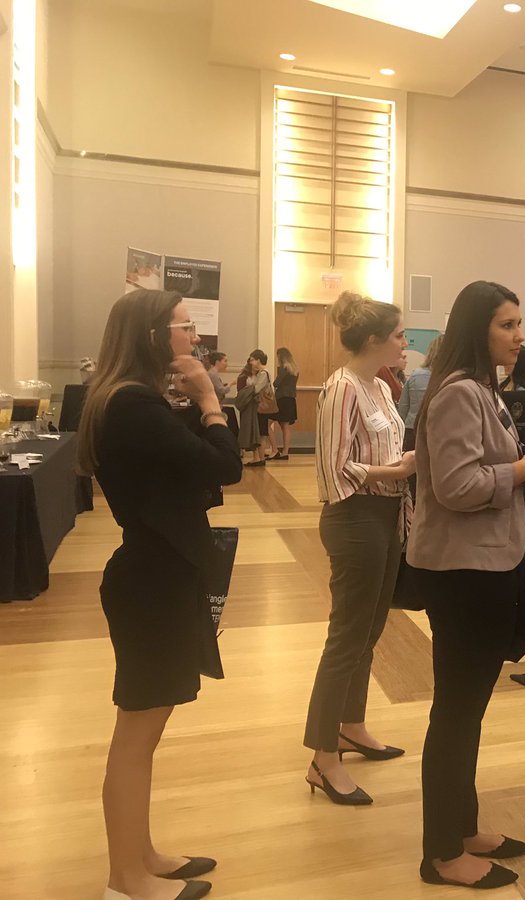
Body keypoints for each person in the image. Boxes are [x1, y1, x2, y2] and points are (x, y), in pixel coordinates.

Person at [79, 289, 241, 900]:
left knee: (144, 732)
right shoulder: (132, 405)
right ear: (153, 335)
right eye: (183, 326)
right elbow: (224, 465)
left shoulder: (133, 400)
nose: (192, 337)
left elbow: (199, 463)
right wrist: (207, 398)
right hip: (150, 581)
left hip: (158, 574)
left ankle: (140, 854)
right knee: (136, 734)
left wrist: (195, 399)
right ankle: (125, 880)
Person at [407, 281, 525, 890]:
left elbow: (478, 468)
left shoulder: (484, 390)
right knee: (456, 712)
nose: (519, 336)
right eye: (507, 324)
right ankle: (442, 853)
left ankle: (462, 827)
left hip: (488, 567)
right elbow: (457, 487)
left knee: (468, 710)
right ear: (478, 328)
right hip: (465, 576)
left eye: (520, 323)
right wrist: (520, 469)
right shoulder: (458, 393)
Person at [303, 291, 416, 806]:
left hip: (386, 514)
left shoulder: (382, 388)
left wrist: (404, 463)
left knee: (369, 631)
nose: (404, 341)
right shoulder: (341, 388)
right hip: (354, 517)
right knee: (346, 636)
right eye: (397, 334)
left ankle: (351, 725)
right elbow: (332, 468)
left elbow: (383, 449)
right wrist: (392, 471)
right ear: (373, 339)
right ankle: (323, 758)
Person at [397, 334, 442, 430]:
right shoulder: (452, 378)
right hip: (436, 431)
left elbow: (403, 408)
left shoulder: (415, 375)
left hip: (412, 428)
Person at [268, 347, 299, 460]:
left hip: (281, 398)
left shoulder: (283, 368)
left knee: (266, 423)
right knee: (285, 426)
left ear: (280, 356)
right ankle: (285, 452)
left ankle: (274, 449)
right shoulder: (295, 369)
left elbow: (276, 383)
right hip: (291, 399)